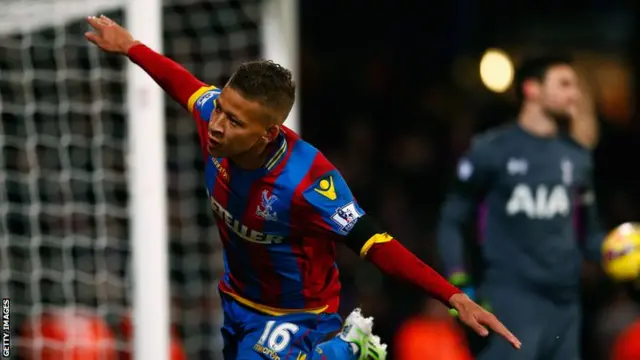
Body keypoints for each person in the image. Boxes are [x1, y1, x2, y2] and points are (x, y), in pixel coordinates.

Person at [85, 15, 520, 360]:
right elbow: (183, 84)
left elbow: (377, 243)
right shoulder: (213, 121)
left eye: (234, 121)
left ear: (268, 133)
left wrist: (452, 295)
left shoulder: (308, 181)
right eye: (220, 109)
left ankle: (345, 348)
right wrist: (130, 47)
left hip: (301, 313)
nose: (217, 124)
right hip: (237, 299)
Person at [436, 55, 604, 360]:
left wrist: (624, 251)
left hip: (566, 305)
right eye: (565, 84)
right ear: (532, 89)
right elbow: (452, 218)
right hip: (511, 299)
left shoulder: (578, 157)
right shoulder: (491, 150)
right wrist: (459, 282)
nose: (575, 94)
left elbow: (591, 236)